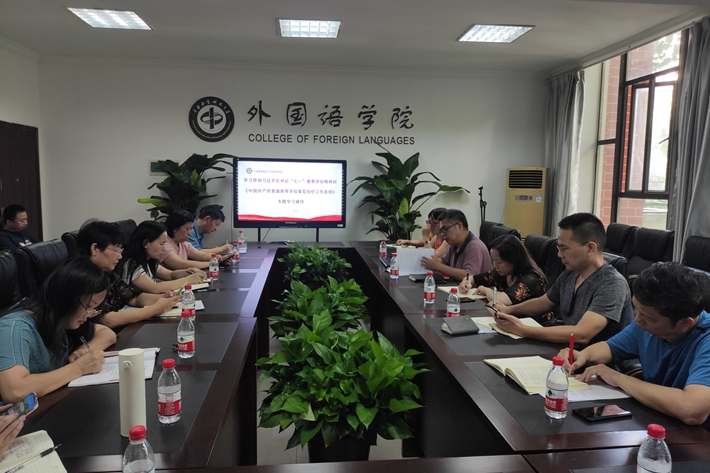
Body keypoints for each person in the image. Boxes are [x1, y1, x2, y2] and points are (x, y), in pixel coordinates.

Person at [561, 263, 710, 426]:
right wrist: (583, 356)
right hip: (655, 417)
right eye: (636, 310)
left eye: (648, 317)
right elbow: (611, 348)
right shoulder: (646, 323)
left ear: (685, 323)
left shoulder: (705, 338)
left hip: (694, 435)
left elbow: (692, 410)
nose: (637, 319)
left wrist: (618, 378)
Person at [492, 212, 633, 346]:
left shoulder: (612, 284)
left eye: (564, 248)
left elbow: (582, 334)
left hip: (599, 361)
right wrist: (509, 310)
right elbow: (544, 302)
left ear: (590, 248)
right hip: (568, 351)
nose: (559, 254)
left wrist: (523, 329)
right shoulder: (571, 273)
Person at [0, 258, 116, 403]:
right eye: (88, 306)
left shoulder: (62, 319)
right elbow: (15, 391)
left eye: (95, 308)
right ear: (67, 298)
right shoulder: (15, 327)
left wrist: (81, 352)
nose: (90, 314)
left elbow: (107, 334)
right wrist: (79, 368)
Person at [77, 220, 179, 329]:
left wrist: (164, 298)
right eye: (115, 250)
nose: (120, 256)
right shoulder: (84, 278)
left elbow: (133, 298)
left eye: (120, 250)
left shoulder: (107, 272)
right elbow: (107, 320)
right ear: (95, 249)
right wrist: (155, 309)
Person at [458, 235, 551, 323]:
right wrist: (466, 282)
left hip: (536, 326)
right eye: (493, 261)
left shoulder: (531, 279)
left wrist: (485, 290)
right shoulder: (504, 273)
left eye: (499, 262)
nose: (495, 266)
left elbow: (500, 299)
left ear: (513, 260)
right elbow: (474, 279)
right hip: (512, 323)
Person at [119, 221, 207, 294]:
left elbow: (170, 275)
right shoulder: (130, 264)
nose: (164, 249)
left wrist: (190, 271)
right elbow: (155, 288)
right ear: (146, 243)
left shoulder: (149, 260)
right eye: (161, 244)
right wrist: (188, 280)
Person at [421, 209, 491, 280]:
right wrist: (428, 262)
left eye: (445, 229)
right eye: (441, 231)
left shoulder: (474, 246)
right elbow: (443, 261)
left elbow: (469, 275)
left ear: (459, 226)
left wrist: (438, 266)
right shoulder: (454, 244)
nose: (443, 234)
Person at [160, 210, 231, 271]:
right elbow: (181, 264)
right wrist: (212, 263)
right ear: (175, 229)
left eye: (191, 229)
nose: (189, 233)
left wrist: (218, 258)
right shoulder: (164, 245)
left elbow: (202, 256)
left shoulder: (183, 244)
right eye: (187, 229)